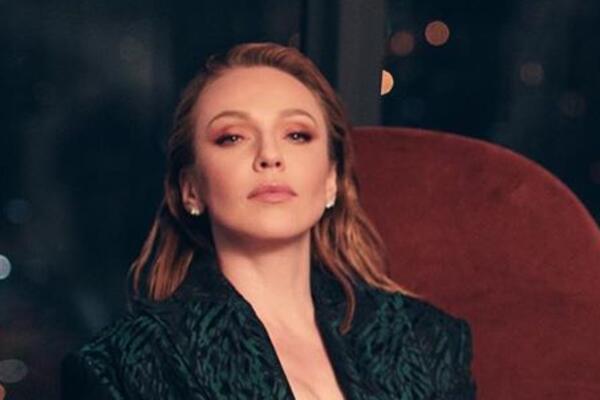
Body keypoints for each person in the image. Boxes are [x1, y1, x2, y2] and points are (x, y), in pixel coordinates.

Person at [61, 42, 476, 399]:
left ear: (331, 180)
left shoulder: (427, 339)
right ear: (191, 189)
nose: (270, 156)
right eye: (232, 137)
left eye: (297, 135)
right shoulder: (123, 365)